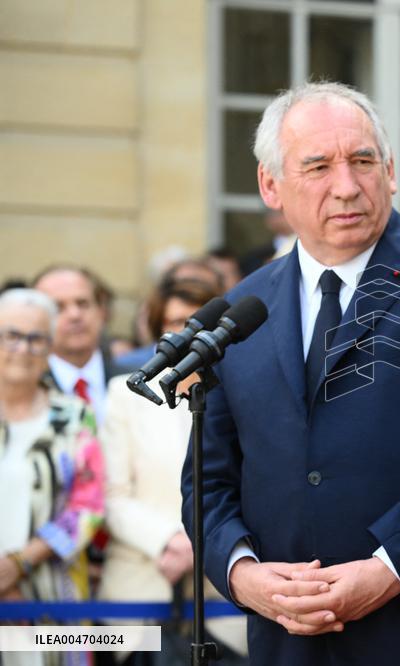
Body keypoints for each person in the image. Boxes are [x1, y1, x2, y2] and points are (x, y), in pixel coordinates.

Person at [182, 81, 400, 665]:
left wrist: (387, 568)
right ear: (270, 185)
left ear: (389, 170)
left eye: (363, 161)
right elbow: (207, 482)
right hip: (289, 640)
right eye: (318, 166)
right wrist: (243, 575)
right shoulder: (240, 312)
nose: (347, 186)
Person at [99, 279, 248, 664]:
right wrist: (169, 540)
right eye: (176, 323)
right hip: (143, 586)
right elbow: (112, 497)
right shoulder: (123, 394)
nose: (188, 334)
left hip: (225, 594)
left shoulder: (244, 396)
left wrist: (203, 543)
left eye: (196, 321)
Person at [0, 289, 105, 666]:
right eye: (11, 335)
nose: (23, 349)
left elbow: (88, 507)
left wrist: (18, 564)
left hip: (53, 596)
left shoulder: (75, 415)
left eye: (36, 339)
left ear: (49, 348)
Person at [32, 266, 128, 425]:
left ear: (101, 311)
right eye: (58, 307)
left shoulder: (135, 381)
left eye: (82, 303)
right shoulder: (28, 391)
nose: (74, 315)